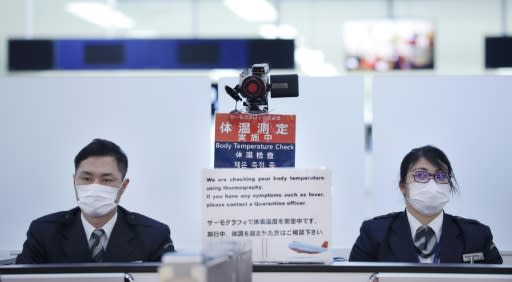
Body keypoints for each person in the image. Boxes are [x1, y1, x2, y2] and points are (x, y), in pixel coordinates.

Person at [16, 139, 175, 263]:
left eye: (106, 180)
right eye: (86, 178)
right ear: (74, 182)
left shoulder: (154, 235)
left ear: (123, 186)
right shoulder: (43, 232)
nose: (94, 187)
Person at [349, 145, 502, 264]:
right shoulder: (375, 233)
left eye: (441, 176)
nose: (432, 183)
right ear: (403, 186)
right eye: (420, 175)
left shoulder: (476, 235)